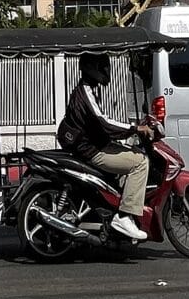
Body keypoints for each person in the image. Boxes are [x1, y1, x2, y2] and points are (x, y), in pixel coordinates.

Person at [56, 50, 151, 241]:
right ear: (93, 68)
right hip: (93, 150)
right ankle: (124, 216)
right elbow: (105, 124)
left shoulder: (87, 90)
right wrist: (135, 128)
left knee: (131, 154)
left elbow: (103, 123)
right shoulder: (85, 93)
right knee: (140, 162)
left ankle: (119, 207)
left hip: (96, 144)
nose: (106, 70)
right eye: (103, 66)